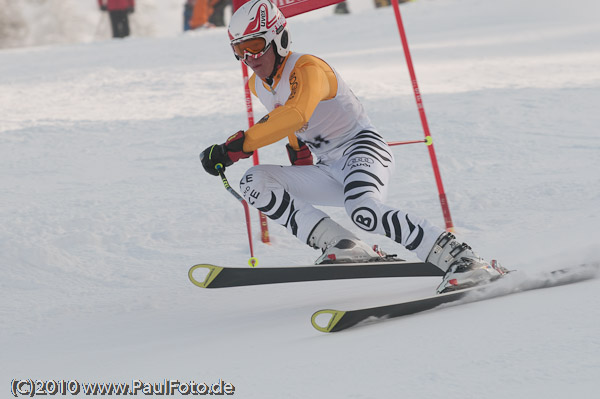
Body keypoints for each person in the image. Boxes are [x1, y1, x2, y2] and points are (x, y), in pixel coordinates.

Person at [200, 0, 505, 294]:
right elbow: (284, 113)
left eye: (254, 45)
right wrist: (298, 152)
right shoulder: (257, 84)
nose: (249, 58)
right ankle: (341, 243)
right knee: (254, 181)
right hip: (328, 166)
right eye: (240, 50)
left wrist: (236, 147)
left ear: (278, 37)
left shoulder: (308, 67)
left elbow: (296, 113)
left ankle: (460, 257)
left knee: (362, 211)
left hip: (363, 151)